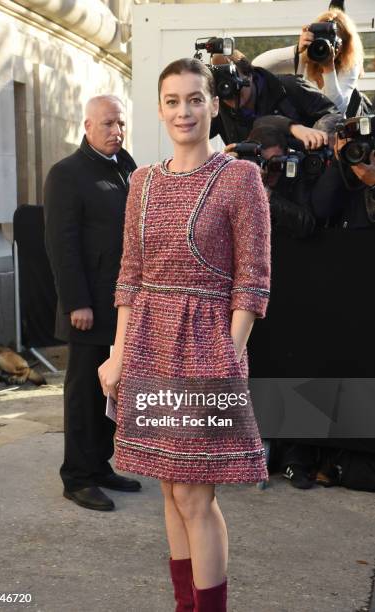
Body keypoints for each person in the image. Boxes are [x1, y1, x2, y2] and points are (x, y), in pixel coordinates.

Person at [98, 59, 271, 611]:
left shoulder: (240, 178)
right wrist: (118, 353)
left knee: (196, 492)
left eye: (195, 99)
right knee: (170, 490)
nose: (184, 111)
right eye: (172, 101)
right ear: (159, 108)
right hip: (149, 343)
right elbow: (130, 275)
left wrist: (228, 353)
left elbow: (253, 280)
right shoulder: (143, 182)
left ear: (213, 105)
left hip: (207, 348)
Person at [44, 95, 141, 512]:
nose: (116, 131)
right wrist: (76, 303)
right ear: (86, 126)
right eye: (107, 124)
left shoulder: (128, 167)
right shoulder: (66, 174)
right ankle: (77, 477)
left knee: (112, 391)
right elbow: (60, 245)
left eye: (120, 124)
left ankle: (100, 466)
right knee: (83, 393)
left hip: (121, 305)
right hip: (87, 308)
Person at [210, 51, 340, 149]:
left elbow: (332, 113)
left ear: (249, 74)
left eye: (234, 83)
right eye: (222, 88)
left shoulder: (289, 87)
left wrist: (319, 137)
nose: (231, 94)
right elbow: (192, 136)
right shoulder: (219, 108)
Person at [253, 8, 364, 116]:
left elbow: (336, 110)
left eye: (332, 40)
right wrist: (296, 50)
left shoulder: (350, 64)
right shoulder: (305, 57)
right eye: (320, 39)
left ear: (345, 45)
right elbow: (256, 66)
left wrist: (328, 68)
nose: (324, 45)